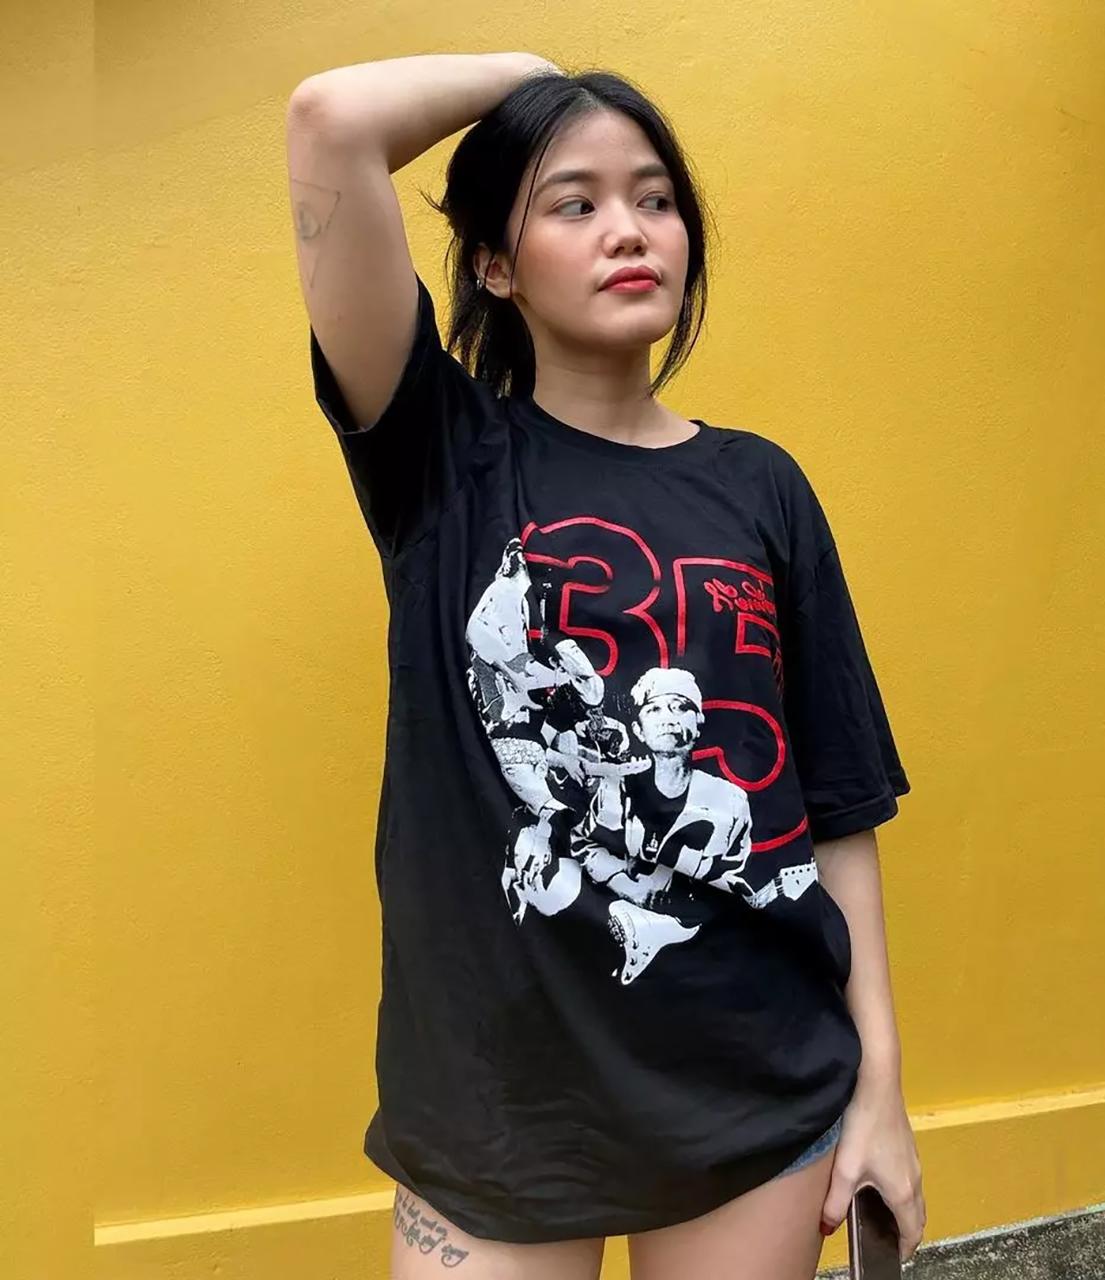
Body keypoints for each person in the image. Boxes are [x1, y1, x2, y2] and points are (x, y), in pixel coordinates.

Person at [286, 50, 927, 1280]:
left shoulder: (761, 486)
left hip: (751, 1087)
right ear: (493, 262)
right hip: (495, 1107)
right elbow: (328, 120)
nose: (628, 230)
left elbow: (836, 806)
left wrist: (881, 1093)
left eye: (655, 198)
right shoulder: (439, 457)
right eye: (571, 203)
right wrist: (542, 82)